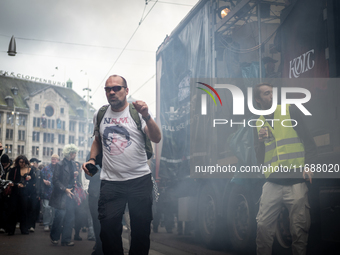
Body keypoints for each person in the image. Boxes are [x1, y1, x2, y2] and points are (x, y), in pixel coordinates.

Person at [82, 75, 161, 255]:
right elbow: (97, 140)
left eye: (117, 88)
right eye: (108, 89)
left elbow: (156, 138)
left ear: (126, 90)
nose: (112, 92)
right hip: (110, 183)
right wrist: (92, 159)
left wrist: (147, 116)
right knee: (108, 231)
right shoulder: (100, 114)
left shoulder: (137, 113)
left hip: (139, 181)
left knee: (140, 232)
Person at [253, 83, 316, 255]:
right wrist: (259, 143)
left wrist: (308, 166)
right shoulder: (259, 123)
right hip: (272, 183)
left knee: (299, 230)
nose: (271, 96)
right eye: (266, 94)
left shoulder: (290, 111)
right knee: (263, 227)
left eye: (272, 92)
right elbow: (260, 158)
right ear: (258, 100)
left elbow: (309, 142)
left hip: (295, 182)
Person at [49, 144, 78, 246]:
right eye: (74, 153)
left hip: (71, 194)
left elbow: (73, 178)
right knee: (59, 217)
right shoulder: (60, 164)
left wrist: (76, 176)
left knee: (70, 217)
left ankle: (66, 239)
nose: (75, 154)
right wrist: (65, 189)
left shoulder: (73, 164)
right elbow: (55, 180)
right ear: (70, 153)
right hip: (61, 194)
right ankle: (54, 237)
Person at [7, 155, 35, 235]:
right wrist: (17, 185)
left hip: (25, 193)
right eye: (20, 162)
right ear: (17, 162)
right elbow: (10, 180)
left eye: (23, 162)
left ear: (26, 162)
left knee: (24, 211)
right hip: (15, 192)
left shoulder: (30, 170)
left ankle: (24, 229)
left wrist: (29, 179)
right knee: (13, 211)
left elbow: (33, 181)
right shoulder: (14, 170)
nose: (22, 164)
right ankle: (11, 230)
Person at [41, 154, 59, 231]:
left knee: (54, 209)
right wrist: (44, 181)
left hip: (56, 192)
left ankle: (52, 224)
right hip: (47, 191)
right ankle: (46, 224)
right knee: (47, 208)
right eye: (52, 159)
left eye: (55, 159)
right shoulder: (46, 168)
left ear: (58, 160)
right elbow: (40, 177)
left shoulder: (60, 169)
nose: (53, 160)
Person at [27, 158, 41, 232]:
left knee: (33, 209)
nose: (37, 164)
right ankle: (26, 225)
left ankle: (32, 225)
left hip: (35, 192)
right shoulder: (27, 170)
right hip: (27, 191)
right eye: (36, 163)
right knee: (27, 209)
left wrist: (39, 194)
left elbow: (39, 183)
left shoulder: (38, 172)